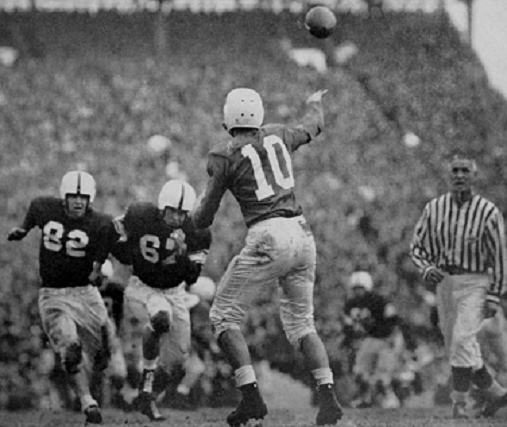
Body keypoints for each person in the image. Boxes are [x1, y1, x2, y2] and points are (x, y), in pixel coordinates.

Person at [191, 87, 343, 426]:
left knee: (223, 316)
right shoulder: (278, 134)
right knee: (303, 323)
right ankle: (328, 394)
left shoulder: (223, 154)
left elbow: (204, 218)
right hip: (302, 233)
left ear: (227, 119)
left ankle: (250, 397)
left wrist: (188, 218)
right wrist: (314, 101)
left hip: (267, 234)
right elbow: (312, 125)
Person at [7, 170, 114, 424]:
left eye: (83, 197)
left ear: (91, 199)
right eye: (73, 196)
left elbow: (102, 255)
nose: (78, 202)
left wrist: (97, 271)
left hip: (86, 294)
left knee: (103, 350)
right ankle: (87, 402)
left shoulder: (100, 223)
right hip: (54, 294)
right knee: (70, 346)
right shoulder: (44, 208)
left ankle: (96, 389)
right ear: (63, 197)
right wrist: (23, 229)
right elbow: (32, 215)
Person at [409, 154, 507, 419]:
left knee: (463, 338)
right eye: (455, 170)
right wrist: (426, 267)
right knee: (457, 343)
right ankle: (496, 393)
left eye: (465, 170)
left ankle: (460, 403)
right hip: (444, 281)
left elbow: (499, 255)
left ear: (474, 176)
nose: (460, 175)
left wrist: (495, 294)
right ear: (448, 175)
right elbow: (417, 245)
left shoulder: (487, 211)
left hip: (476, 281)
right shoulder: (435, 208)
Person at [109, 179, 211, 421]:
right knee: (160, 318)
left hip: (175, 292)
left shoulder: (197, 230)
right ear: (162, 206)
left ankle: (147, 397)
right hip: (143, 288)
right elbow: (113, 236)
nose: (176, 217)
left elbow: (193, 275)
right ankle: (144, 387)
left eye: (181, 213)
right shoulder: (141, 214)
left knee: (178, 360)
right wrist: (127, 248)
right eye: (172, 211)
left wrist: (180, 255)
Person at [343, 271, 402, 409]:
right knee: (360, 373)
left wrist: (393, 340)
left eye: (360, 288)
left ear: (367, 287)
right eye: (355, 289)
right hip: (371, 338)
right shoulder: (351, 304)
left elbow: (394, 321)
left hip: (387, 337)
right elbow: (349, 326)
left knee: (382, 376)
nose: (358, 292)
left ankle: (390, 398)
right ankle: (365, 398)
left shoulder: (379, 301)